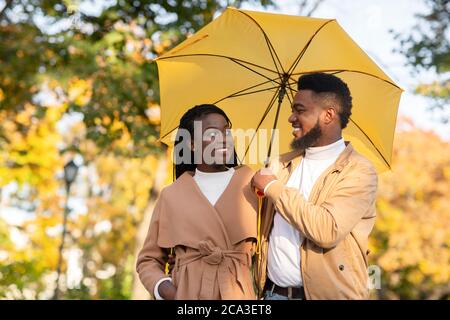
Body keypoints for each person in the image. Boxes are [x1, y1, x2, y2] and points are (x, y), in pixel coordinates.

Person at [251, 72, 378, 300]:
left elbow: (327, 229)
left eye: (300, 111)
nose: (291, 118)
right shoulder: (279, 164)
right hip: (272, 295)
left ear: (328, 115)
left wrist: (272, 188)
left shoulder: (358, 170)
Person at [136, 104, 258, 300]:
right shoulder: (172, 195)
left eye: (226, 131)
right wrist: (169, 291)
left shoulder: (251, 183)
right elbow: (148, 260)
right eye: (211, 134)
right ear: (191, 144)